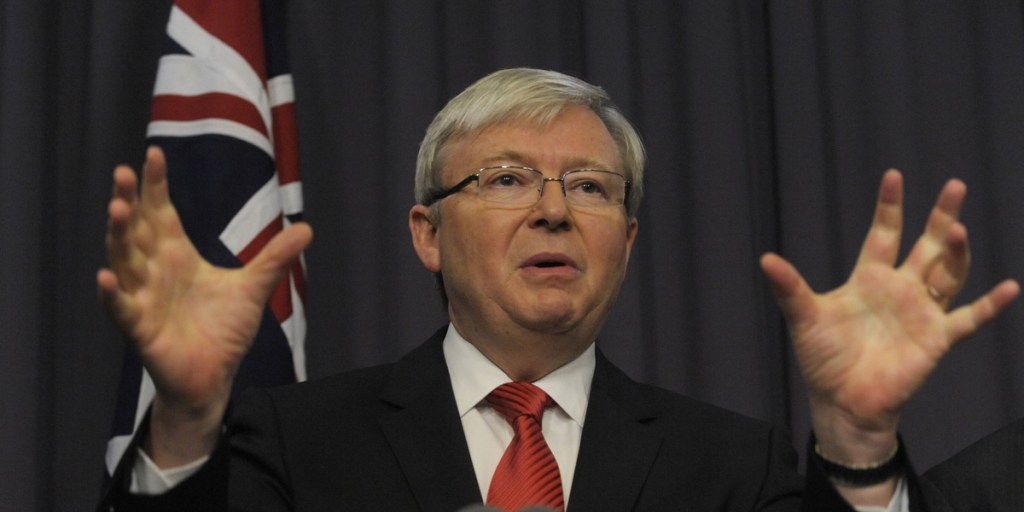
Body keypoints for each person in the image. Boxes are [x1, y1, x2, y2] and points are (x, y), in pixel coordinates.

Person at [96, 68, 1019, 511]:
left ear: (626, 238)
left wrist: (856, 445)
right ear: (427, 234)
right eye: (505, 180)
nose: (553, 211)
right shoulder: (294, 443)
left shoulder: (737, 469)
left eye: (589, 187)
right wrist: (182, 427)